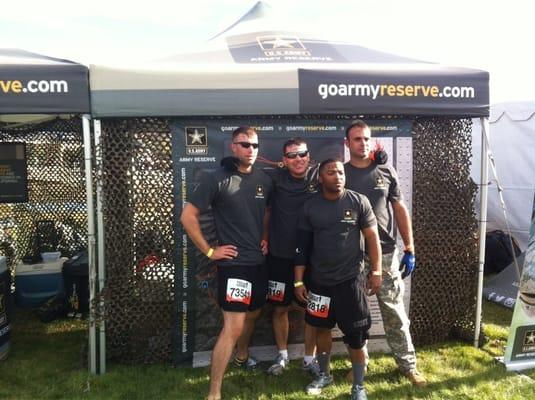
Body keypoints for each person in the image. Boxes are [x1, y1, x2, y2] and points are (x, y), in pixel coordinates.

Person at [180, 126, 273, 400]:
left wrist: (265, 236)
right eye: (244, 145)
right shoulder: (215, 179)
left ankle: (242, 356)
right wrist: (210, 252)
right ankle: (214, 393)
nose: (250, 150)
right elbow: (187, 217)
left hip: (258, 263)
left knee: (254, 314)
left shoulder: (264, 180)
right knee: (233, 326)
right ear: (233, 147)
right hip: (234, 266)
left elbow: (266, 211)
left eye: (254, 145)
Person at [343, 119, 427, 387]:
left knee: (394, 313)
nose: (363, 143)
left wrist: (410, 248)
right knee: (356, 314)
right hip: (351, 255)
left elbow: (400, 209)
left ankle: (408, 365)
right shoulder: (340, 174)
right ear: (347, 143)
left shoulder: (385, 170)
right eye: (357, 139)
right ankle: (360, 362)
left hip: (386, 254)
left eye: (366, 138)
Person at [294, 159, 382, 400]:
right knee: (322, 329)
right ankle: (324, 374)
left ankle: (358, 386)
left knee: (356, 336)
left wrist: (376, 271)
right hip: (319, 283)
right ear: (321, 178)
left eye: (340, 172)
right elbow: (301, 247)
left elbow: (372, 238)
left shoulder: (358, 201)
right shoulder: (310, 206)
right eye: (331, 172)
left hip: (350, 282)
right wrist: (299, 281)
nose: (338, 176)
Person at [262, 138, 320, 376]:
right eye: (292, 155)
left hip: (313, 259)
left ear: (309, 156)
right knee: (279, 308)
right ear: (284, 160)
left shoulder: (321, 177)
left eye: (302, 154)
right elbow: (266, 211)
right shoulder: (274, 179)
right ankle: (283, 356)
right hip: (280, 256)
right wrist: (264, 236)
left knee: (314, 310)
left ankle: (309, 358)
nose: (298, 159)